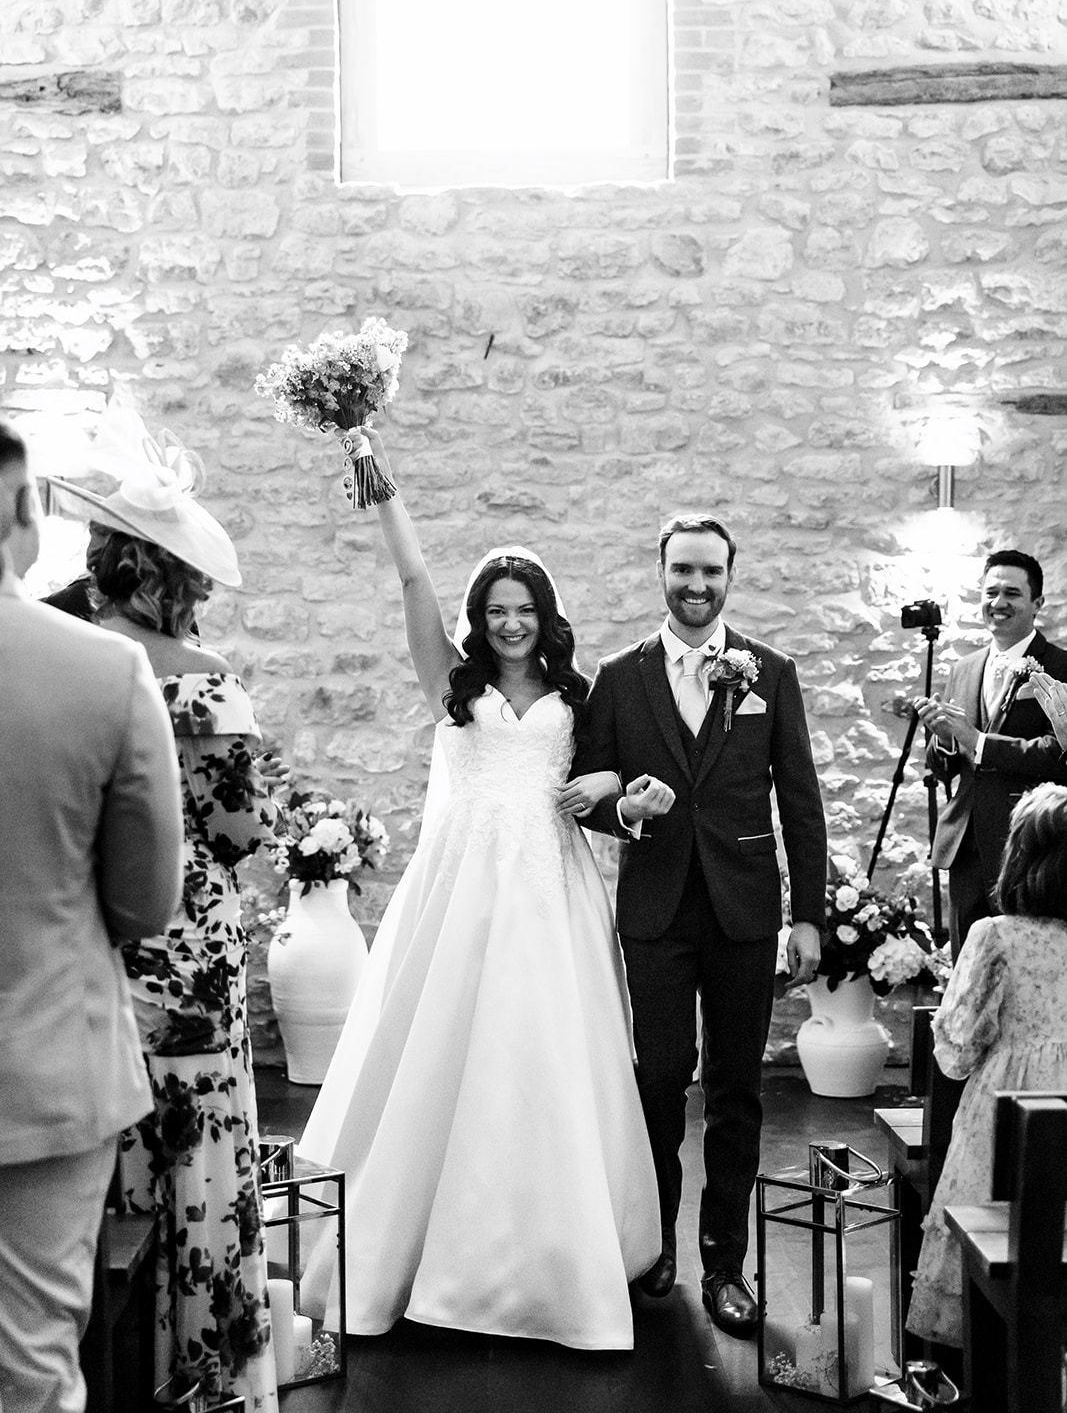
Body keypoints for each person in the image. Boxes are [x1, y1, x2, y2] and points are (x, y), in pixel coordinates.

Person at [299, 425, 669, 1352]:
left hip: (550, 899)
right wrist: (377, 484)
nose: (510, 622)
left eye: (524, 609)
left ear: (546, 618)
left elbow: (603, 800)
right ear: (479, 616)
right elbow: (413, 584)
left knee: (543, 1069)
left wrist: (628, 800)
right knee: (439, 1060)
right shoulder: (449, 688)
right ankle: (416, 1248)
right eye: (496, 608)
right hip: (461, 891)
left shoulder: (577, 702)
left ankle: (555, 1254)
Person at [48, 422, 281, 1411]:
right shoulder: (206, 680)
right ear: (172, 577)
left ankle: (94, 1370)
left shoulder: (63, 661)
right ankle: (199, 1378)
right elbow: (239, 833)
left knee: (110, 1163)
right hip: (192, 964)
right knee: (201, 1160)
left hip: (93, 948)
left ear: (102, 564)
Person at [572, 513, 827, 1337]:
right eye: (683, 570)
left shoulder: (770, 673)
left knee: (735, 1090)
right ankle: (653, 1251)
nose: (696, 585)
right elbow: (585, 794)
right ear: (661, 571)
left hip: (744, 910)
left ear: (729, 576)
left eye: (711, 572)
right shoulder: (618, 676)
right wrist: (626, 812)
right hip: (653, 910)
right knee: (657, 1082)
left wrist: (810, 917)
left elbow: (800, 799)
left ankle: (725, 1265)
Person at [0, 418, 183, 1413]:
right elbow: (144, 900)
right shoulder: (103, 674)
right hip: (47, 1066)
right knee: (32, 1365)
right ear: (24, 518)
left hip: (49, 1073)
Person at [906, 781, 1067, 1347]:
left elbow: (953, 1056)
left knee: (990, 1227)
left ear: (1018, 855)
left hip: (1005, 1129)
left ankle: (972, 1368)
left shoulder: (995, 937)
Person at [915, 549, 1067, 960]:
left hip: (1031, 847)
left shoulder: (1060, 669)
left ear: (1038, 604)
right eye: (991, 592)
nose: (999, 603)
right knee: (967, 964)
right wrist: (945, 740)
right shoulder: (963, 668)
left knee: (1025, 964)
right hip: (966, 845)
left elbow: (1057, 754)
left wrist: (976, 740)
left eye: (1012, 594)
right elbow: (947, 764)